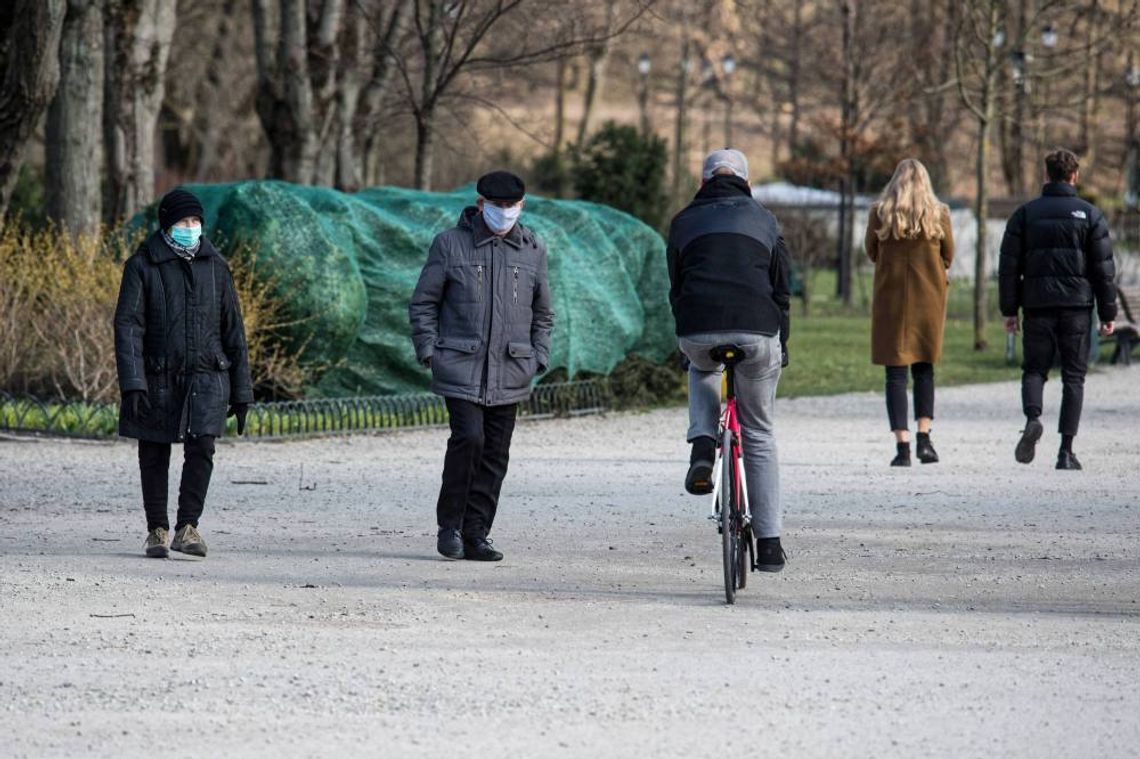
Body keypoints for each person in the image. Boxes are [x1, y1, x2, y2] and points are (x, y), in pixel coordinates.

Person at [409, 171, 554, 562]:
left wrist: (537, 356)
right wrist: (429, 351)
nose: (504, 213)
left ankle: (478, 533)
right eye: (497, 206)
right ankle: (450, 526)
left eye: (511, 206)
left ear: (521, 207)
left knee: (495, 452)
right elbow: (423, 303)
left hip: (512, 367)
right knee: (469, 439)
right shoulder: (449, 245)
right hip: (459, 364)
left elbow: (543, 313)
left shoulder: (533, 249)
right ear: (480, 206)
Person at [667, 149, 791, 572]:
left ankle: (703, 442)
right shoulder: (765, 220)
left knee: (702, 365)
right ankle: (770, 543)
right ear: (747, 182)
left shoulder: (683, 220)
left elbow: (676, 286)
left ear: (703, 183)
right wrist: (783, 343)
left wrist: (687, 332)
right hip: (756, 330)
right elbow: (781, 290)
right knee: (758, 432)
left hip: (698, 327)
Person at [114, 187, 253, 558]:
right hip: (158, 376)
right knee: (154, 450)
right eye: (183, 221)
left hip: (208, 376)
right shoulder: (142, 266)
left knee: (202, 448)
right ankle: (157, 529)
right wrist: (133, 383)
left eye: (195, 221)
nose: (190, 227)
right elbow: (128, 327)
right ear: (166, 225)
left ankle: (187, 527)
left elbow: (233, 331)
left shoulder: (216, 267)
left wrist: (242, 392)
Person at [999, 149, 1117, 470]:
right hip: (1077, 307)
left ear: (1046, 175)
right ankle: (1065, 451)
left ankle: (1033, 418)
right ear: (1074, 176)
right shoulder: (1091, 216)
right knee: (1074, 378)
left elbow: (1009, 266)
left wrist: (1010, 310)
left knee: (1034, 370)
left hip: (1037, 305)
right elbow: (1103, 270)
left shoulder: (1025, 215)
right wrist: (1108, 314)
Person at [864, 158, 955, 467]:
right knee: (924, 369)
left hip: (892, 303)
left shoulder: (880, 214)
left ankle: (902, 448)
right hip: (928, 301)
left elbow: (871, 252)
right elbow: (949, 255)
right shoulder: (939, 214)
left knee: (895, 374)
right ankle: (924, 439)